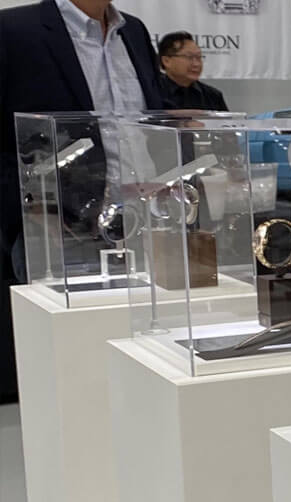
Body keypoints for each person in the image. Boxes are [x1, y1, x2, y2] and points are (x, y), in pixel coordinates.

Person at [0, 0, 163, 404]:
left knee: (144, 361)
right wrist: (29, 211)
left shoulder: (133, 31)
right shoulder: (13, 30)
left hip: (143, 226)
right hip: (60, 231)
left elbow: (152, 122)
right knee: (70, 379)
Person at [158, 31, 229, 112]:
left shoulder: (212, 96)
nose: (196, 64)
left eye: (199, 57)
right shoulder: (153, 93)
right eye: (189, 57)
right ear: (166, 61)